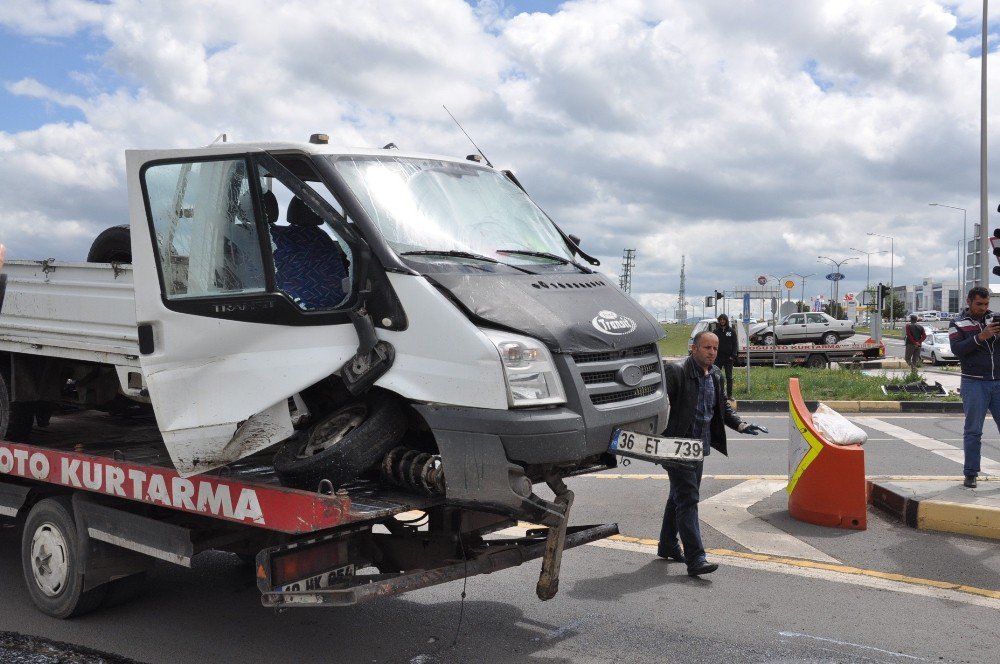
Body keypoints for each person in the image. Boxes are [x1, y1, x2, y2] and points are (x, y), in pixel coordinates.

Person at [657, 330, 767, 576]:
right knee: (688, 500)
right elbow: (659, 405)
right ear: (693, 348)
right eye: (707, 347)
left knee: (678, 496)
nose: (712, 352)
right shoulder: (677, 371)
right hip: (677, 447)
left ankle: (667, 544)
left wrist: (741, 424)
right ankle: (696, 558)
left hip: (700, 447)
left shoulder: (715, 375)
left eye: (715, 348)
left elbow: (722, 407)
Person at [950, 286, 1000, 489]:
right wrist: (981, 336)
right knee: (973, 431)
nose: (983, 308)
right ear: (969, 301)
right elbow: (958, 350)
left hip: (998, 381)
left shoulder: (995, 319)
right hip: (974, 382)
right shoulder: (957, 324)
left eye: (986, 304)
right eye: (979, 304)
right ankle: (971, 473)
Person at [714, 314, 738, 397]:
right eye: (720, 319)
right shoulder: (716, 331)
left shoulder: (731, 331)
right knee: (717, 377)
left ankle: (729, 395)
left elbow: (735, 344)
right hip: (718, 358)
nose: (722, 321)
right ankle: (718, 395)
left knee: (729, 377)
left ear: (726, 320)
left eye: (724, 319)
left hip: (729, 358)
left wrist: (733, 356)